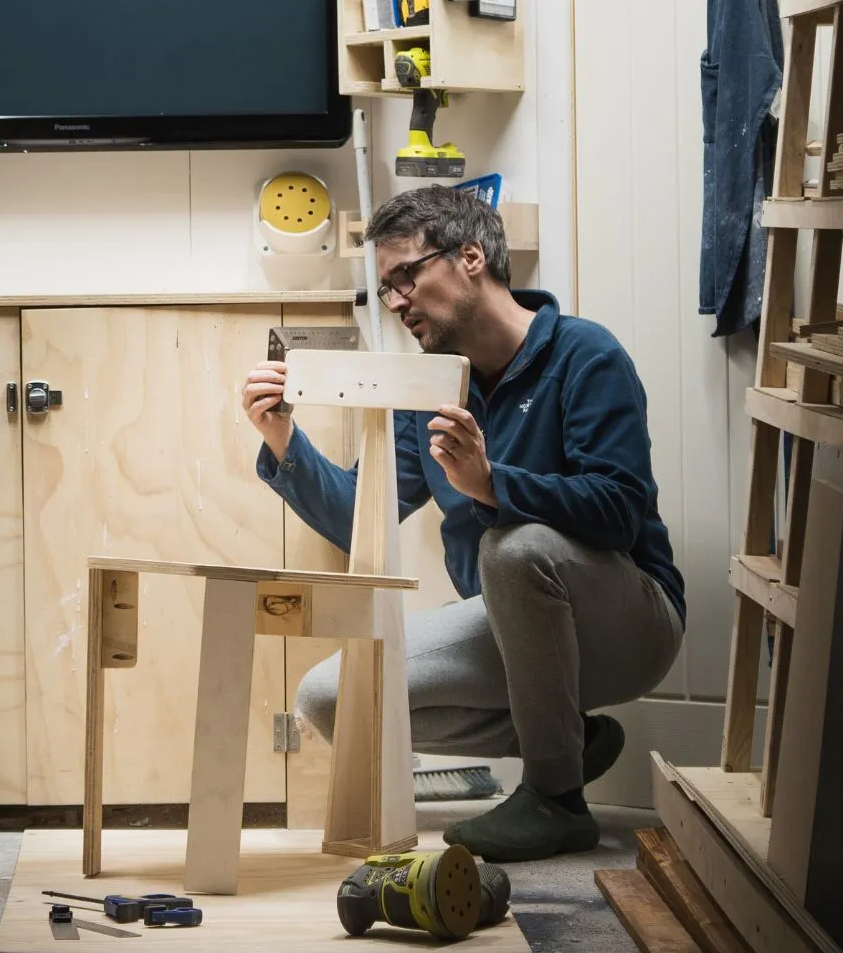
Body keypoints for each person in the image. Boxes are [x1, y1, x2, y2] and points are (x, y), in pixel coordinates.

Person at [239, 185, 685, 862]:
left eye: (405, 276)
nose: (395, 301)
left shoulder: (585, 355)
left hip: (631, 625)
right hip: (515, 624)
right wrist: (282, 442)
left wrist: (492, 485)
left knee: (512, 546)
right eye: (385, 287)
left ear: (470, 257)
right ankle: (568, 745)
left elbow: (620, 512)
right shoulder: (427, 387)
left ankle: (557, 799)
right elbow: (361, 514)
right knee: (331, 699)